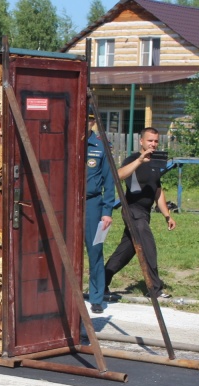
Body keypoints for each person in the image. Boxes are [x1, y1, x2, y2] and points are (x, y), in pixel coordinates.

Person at [104, 127, 176, 299]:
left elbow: (157, 190)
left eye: (156, 141)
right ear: (141, 141)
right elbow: (118, 175)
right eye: (150, 140)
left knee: (125, 251)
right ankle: (155, 289)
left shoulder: (155, 162)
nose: (153, 144)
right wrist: (140, 161)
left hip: (144, 212)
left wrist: (167, 215)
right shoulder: (133, 160)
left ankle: (100, 281)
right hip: (132, 210)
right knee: (147, 246)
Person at [84, 112, 115, 314]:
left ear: (94, 122)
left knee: (95, 250)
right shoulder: (65, 142)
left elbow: (109, 181)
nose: (86, 122)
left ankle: (96, 297)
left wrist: (107, 210)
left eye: (89, 118)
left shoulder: (100, 146)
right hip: (69, 205)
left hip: (93, 204)